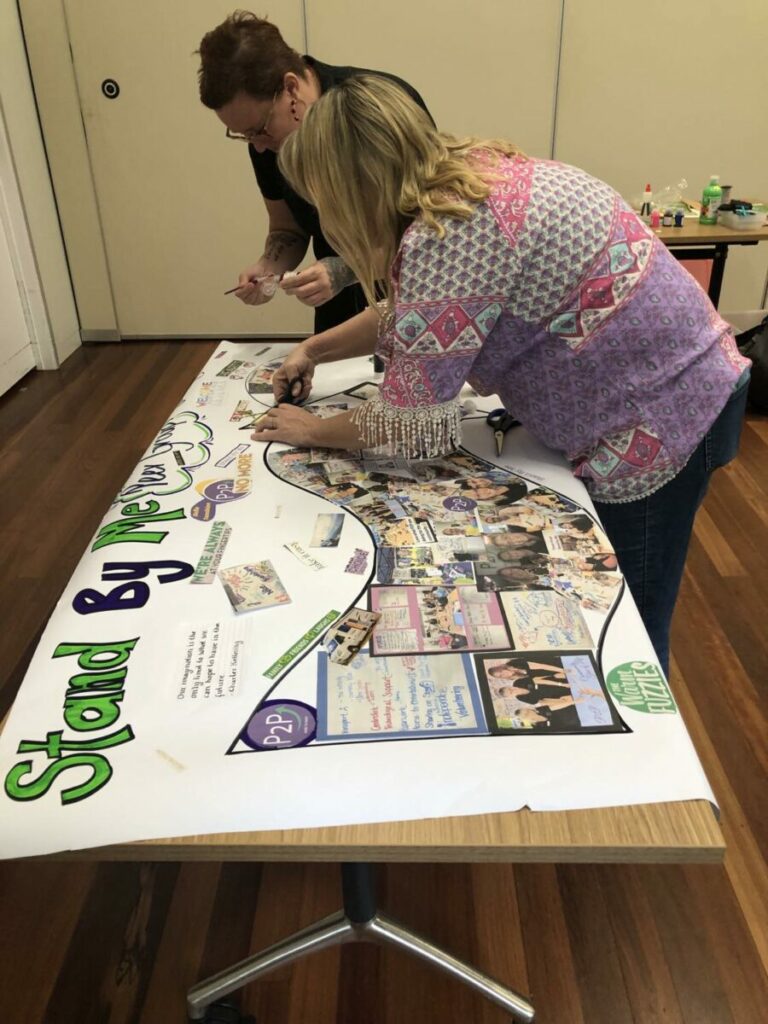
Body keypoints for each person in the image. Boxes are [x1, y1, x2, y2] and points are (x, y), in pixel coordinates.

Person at [251, 76, 751, 675]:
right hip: (692, 379)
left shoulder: (448, 237)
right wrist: (313, 348)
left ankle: (639, 755)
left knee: (630, 634)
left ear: (350, 190)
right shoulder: (467, 176)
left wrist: (311, 430)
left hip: (658, 420)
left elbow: (409, 426)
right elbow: (416, 317)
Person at [197, 12, 432, 333]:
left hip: (409, 292)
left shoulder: (376, 106)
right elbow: (288, 229)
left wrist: (343, 269)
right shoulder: (266, 144)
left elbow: (429, 229)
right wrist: (268, 267)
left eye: (258, 130)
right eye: (244, 136)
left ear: (290, 88)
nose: (259, 146)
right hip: (337, 303)